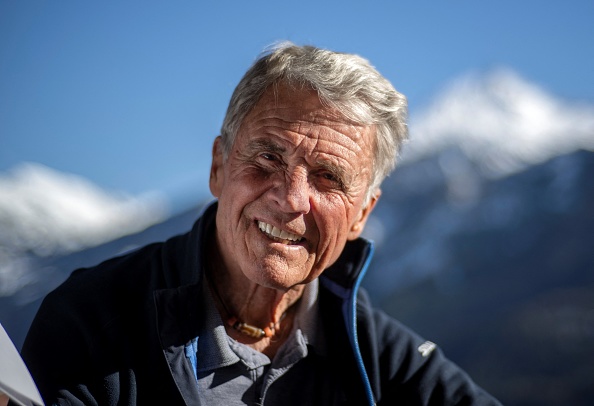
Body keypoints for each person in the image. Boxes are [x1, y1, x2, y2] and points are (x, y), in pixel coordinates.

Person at [22, 42, 502, 405]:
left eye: (329, 177)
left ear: (362, 214)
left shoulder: (384, 362)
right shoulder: (92, 322)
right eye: (268, 157)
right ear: (218, 166)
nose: (291, 198)